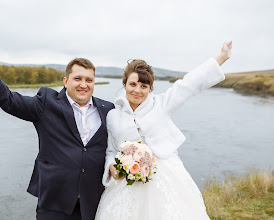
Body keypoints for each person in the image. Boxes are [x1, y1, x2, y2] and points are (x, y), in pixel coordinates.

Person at [0, 22, 114, 220]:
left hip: (94, 205)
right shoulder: (46, 103)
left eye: (89, 80)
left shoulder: (108, 109)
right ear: (66, 81)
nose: (83, 84)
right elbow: (7, 99)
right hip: (54, 204)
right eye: (78, 78)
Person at [95, 42, 232, 219]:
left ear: (150, 88)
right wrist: (112, 167)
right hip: (127, 182)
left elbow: (189, 84)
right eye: (133, 84)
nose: (137, 90)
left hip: (167, 177)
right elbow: (111, 151)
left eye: (144, 86)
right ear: (125, 84)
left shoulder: (161, 104)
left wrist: (221, 57)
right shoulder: (113, 116)